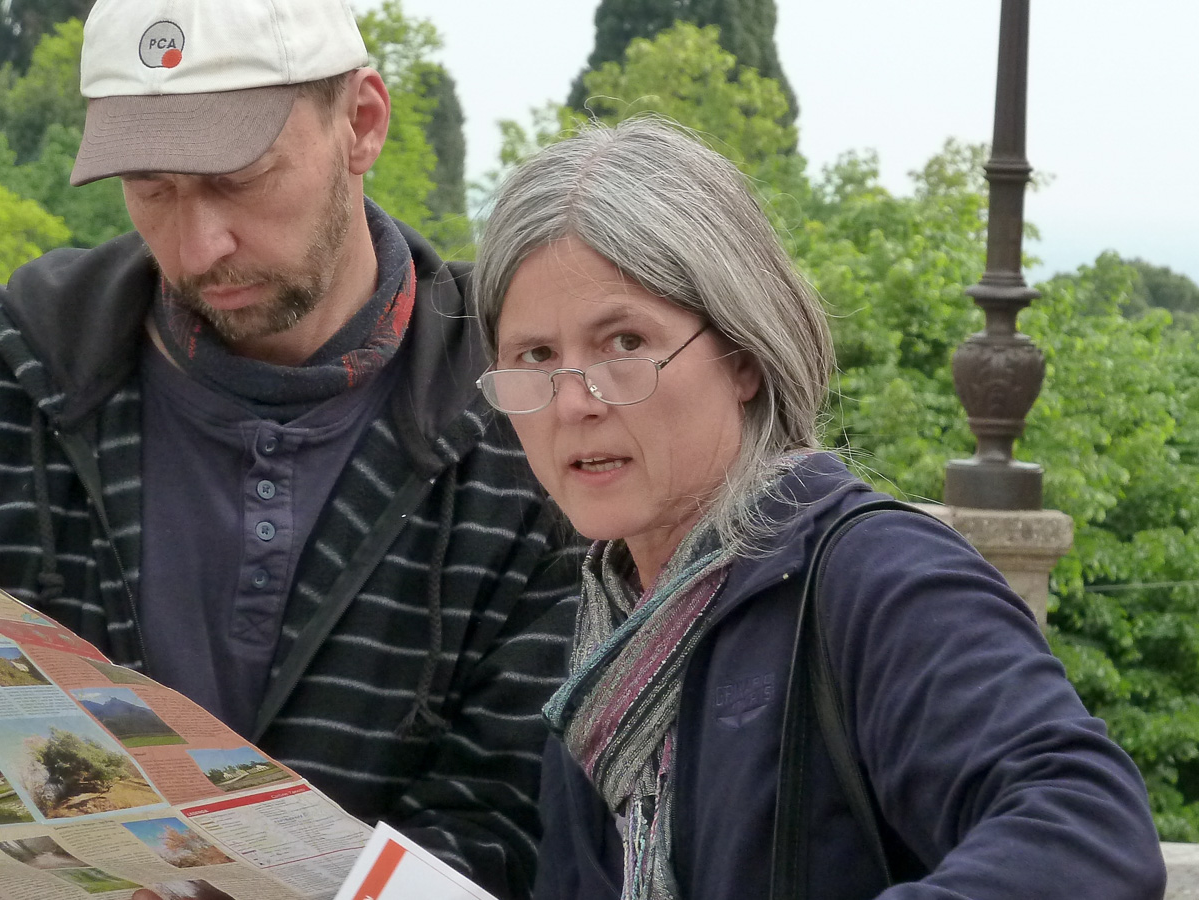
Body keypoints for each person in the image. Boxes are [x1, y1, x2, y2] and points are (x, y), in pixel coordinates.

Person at [469, 117, 1167, 900]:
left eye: (625, 343)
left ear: (742, 356)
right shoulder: (608, 643)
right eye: (536, 356)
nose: (573, 402)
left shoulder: (880, 579)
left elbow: (1090, 831)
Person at [0, 0, 580, 897]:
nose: (199, 246)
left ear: (362, 122)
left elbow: (511, 811)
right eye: (151, 187)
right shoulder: (22, 377)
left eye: (239, 178)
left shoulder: (524, 409)